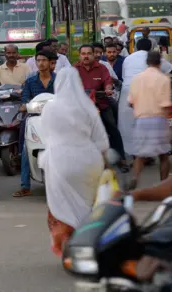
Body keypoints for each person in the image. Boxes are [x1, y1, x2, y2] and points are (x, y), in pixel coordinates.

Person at [39, 68, 110, 257]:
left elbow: (45, 137)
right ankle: (88, 245)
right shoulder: (88, 107)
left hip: (59, 163)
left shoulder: (50, 108)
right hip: (89, 162)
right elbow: (102, 142)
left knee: (61, 207)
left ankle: (68, 249)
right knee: (88, 207)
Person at [119, 38, 172, 160]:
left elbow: (125, 76)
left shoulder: (128, 58)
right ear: (151, 48)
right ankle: (151, 153)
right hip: (146, 94)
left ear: (135, 47)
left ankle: (137, 156)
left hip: (127, 92)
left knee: (129, 125)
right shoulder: (153, 58)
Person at [13, 50, 56, 198]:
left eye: (44, 60)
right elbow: (25, 99)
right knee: (26, 145)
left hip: (56, 118)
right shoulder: (30, 81)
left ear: (51, 63)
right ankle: (25, 186)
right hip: (35, 117)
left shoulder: (59, 80)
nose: (41, 63)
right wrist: (24, 105)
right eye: (38, 60)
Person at [127, 51, 172, 188]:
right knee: (164, 155)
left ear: (147, 62)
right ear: (160, 63)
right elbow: (166, 105)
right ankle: (163, 185)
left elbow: (130, 102)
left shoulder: (137, 78)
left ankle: (135, 178)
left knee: (140, 155)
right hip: (158, 120)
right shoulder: (164, 79)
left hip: (141, 120)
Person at [75, 44, 125, 161]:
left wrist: (108, 89)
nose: (86, 56)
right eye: (83, 54)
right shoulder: (74, 69)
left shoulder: (102, 68)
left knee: (112, 127)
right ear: (80, 56)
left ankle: (121, 159)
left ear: (93, 55)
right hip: (81, 106)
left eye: (88, 54)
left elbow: (107, 81)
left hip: (100, 102)